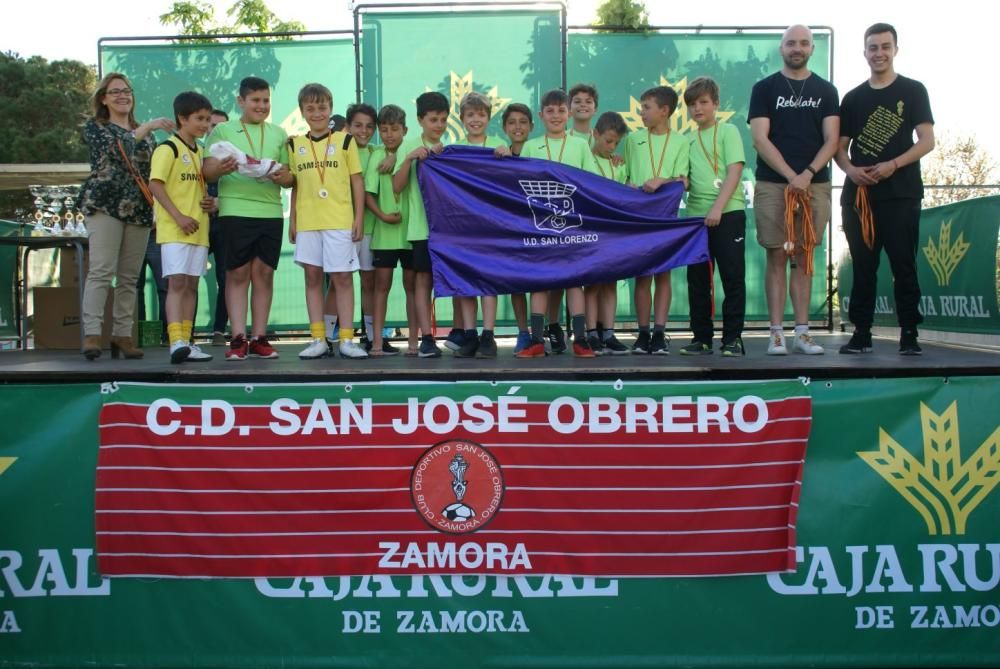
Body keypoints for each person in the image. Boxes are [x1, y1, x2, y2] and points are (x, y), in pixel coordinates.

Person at [835, 22, 935, 355]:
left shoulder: (914, 90)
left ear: (895, 49)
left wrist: (893, 164)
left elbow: (927, 142)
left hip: (901, 193)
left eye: (885, 46)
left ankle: (909, 333)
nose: (879, 53)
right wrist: (851, 170)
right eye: (873, 47)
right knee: (863, 266)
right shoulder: (852, 98)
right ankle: (861, 333)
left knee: (903, 264)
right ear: (864, 52)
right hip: (859, 198)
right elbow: (840, 146)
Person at [749, 24, 840, 356]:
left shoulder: (827, 90)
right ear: (781, 48)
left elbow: (832, 139)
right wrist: (792, 176)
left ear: (812, 49)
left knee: (804, 257)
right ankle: (776, 334)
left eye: (803, 43)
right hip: (774, 184)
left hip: (815, 184)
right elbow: (760, 138)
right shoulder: (764, 88)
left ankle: (803, 333)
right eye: (791, 43)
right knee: (776, 253)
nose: (797, 48)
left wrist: (809, 173)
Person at [76, 72, 174, 360]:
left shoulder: (147, 135)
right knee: (101, 271)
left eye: (127, 91)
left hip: (139, 208)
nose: (123, 96)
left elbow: (154, 172)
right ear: (103, 99)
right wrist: (149, 126)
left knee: (129, 277)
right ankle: (92, 334)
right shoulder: (96, 128)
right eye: (115, 91)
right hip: (105, 204)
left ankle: (122, 335)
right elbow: (117, 150)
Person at [203, 76, 295, 361]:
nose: (261, 105)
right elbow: (207, 172)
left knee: (264, 274)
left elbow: (291, 177)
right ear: (240, 101)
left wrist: (284, 176)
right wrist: (222, 168)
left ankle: (260, 337)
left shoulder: (279, 133)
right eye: (255, 100)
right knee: (237, 273)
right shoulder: (222, 131)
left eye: (266, 100)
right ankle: (238, 337)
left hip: (269, 212)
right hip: (235, 210)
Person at [517, 88, 600, 359]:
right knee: (539, 282)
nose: (556, 115)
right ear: (541, 116)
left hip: (572, 225)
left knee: (574, 282)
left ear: (568, 114)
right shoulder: (531, 146)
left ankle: (581, 340)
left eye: (561, 110)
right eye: (550, 111)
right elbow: (519, 184)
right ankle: (537, 341)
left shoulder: (580, 145)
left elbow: (592, 183)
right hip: (539, 225)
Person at [288, 83, 368, 360]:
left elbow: (357, 181)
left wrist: (358, 217)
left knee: (342, 278)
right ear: (302, 112)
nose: (317, 113)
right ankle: (318, 338)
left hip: (339, 220)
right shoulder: (294, 144)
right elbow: (296, 184)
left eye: (322, 107)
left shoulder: (346, 141)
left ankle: (347, 338)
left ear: (330, 109)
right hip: (309, 221)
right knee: (312, 277)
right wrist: (293, 219)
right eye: (310, 108)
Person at [679, 77, 748, 357]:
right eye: (692, 104)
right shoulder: (687, 140)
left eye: (704, 102)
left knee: (732, 276)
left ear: (716, 104)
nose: (698, 109)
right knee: (697, 281)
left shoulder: (728, 131)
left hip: (728, 213)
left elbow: (734, 171)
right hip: (697, 219)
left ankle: (733, 338)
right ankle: (701, 338)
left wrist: (718, 207)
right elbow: (684, 179)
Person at [147, 91, 216, 364]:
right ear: (182, 118)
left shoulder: (200, 151)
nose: (205, 125)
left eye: (208, 120)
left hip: (199, 229)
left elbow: (195, 187)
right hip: (176, 229)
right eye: (199, 119)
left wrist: (210, 202)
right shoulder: (168, 148)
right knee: (176, 283)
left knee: (191, 284)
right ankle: (175, 340)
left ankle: (187, 341)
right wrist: (178, 217)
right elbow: (155, 184)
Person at [623, 85, 689, 355]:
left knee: (663, 274)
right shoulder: (633, 140)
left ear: (664, 111)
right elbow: (625, 177)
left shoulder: (682, 141)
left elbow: (683, 180)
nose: (642, 113)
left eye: (647, 108)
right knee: (642, 275)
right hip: (638, 216)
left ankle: (660, 333)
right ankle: (642, 333)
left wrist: (663, 180)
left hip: (665, 216)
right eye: (641, 108)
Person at [393, 91, 449, 358]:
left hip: (447, 230)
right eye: (433, 119)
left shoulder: (450, 147)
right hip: (420, 228)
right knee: (421, 282)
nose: (438, 125)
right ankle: (426, 337)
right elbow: (396, 185)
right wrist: (409, 159)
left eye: (443, 120)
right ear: (420, 120)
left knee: (455, 280)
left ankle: (462, 333)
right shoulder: (409, 146)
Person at [452, 91, 506, 359]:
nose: (476, 120)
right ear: (462, 118)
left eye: (481, 114)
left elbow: (512, 176)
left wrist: (506, 155)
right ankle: (470, 335)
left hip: (490, 224)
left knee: (488, 280)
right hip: (463, 226)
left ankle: (488, 336)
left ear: (488, 117)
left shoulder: (498, 143)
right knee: (465, 281)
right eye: (470, 115)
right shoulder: (454, 149)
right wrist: (437, 154)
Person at [321, 103, 379, 351]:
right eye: (358, 126)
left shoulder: (377, 152)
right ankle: (325, 336)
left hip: (370, 229)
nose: (363, 131)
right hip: (341, 227)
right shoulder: (336, 150)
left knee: (369, 282)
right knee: (338, 281)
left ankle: (370, 336)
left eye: (369, 127)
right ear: (348, 126)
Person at [585, 110, 630, 356]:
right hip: (591, 231)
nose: (612, 147)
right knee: (592, 284)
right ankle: (591, 333)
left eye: (616, 143)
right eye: (608, 141)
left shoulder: (619, 165)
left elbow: (624, 192)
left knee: (610, 282)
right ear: (595, 134)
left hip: (613, 232)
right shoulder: (585, 160)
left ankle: (609, 334)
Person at [367, 104, 409, 357]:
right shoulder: (375, 155)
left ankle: (416, 342)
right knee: (380, 287)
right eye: (384, 130)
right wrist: (382, 215)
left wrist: (398, 156)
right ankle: (377, 343)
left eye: (394, 129)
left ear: (405, 129)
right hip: (384, 234)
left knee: (413, 287)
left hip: (411, 234)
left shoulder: (413, 149)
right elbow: (368, 194)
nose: (390, 135)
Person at [500, 102, 534, 353]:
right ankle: (524, 332)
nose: (517, 127)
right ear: (504, 128)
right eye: (512, 122)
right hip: (512, 226)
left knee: (548, 282)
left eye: (523, 122)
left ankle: (547, 331)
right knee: (517, 282)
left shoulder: (540, 154)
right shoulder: (498, 155)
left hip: (540, 226)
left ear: (532, 127)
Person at [206, 109, 229, 345]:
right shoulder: (196, 153)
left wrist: (220, 202)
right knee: (186, 278)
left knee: (226, 278)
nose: (216, 131)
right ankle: (181, 334)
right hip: (197, 225)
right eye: (212, 126)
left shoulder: (236, 158)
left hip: (224, 225)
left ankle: (219, 331)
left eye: (222, 127)